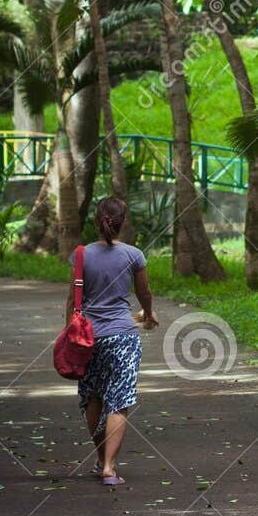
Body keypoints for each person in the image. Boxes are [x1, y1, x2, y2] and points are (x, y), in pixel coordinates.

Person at [69, 196, 156, 486]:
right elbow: (144, 294)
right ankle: (109, 467)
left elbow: (72, 299)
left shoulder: (81, 255)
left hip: (88, 338)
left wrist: (68, 333)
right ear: (123, 222)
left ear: (97, 221)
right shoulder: (134, 255)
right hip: (123, 337)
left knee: (93, 398)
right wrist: (149, 315)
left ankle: (100, 458)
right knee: (119, 401)